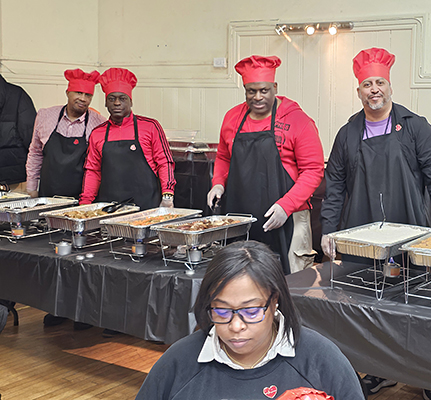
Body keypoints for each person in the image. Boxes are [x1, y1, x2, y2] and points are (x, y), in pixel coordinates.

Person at [320, 47, 431, 400]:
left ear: (390, 86)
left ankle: (429, 378)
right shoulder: (348, 133)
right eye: (367, 84)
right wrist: (328, 230)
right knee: (368, 309)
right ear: (359, 91)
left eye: (379, 82)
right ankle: (379, 371)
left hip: (410, 230)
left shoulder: (415, 127)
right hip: (361, 234)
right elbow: (334, 186)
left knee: (416, 307)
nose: (374, 89)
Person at [136, 240, 365, 400]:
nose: (236, 326)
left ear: (274, 301)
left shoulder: (321, 360)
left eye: (251, 311)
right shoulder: (178, 363)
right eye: (221, 311)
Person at [207, 55, 324, 274]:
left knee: (291, 281)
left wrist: (286, 206)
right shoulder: (232, 118)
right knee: (241, 278)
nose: (258, 97)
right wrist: (218, 183)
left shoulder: (297, 120)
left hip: (288, 218)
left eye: (264, 90)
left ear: (275, 87)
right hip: (242, 220)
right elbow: (223, 156)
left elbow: (313, 171)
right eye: (251, 91)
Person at [80, 68, 176, 211]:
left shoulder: (150, 126)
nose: (117, 103)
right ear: (106, 103)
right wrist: (85, 204)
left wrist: (168, 194)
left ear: (131, 102)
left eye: (122, 98)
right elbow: (93, 171)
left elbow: (164, 162)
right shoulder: (97, 133)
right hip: (109, 209)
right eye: (111, 99)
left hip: (146, 207)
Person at [26, 69, 106, 198]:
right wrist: (32, 188)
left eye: (88, 95)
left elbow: (99, 165)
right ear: (68, 93)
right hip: (47, 195)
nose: (83, 99)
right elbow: (35, 153)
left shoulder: (99, 122)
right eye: (78, 93)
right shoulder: (45, 116)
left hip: (81, 198)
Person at [0, 74, 36, 188]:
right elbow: (31, 136)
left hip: (14, 177)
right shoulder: (18, 95)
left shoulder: (18, 95)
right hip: (15, 175)